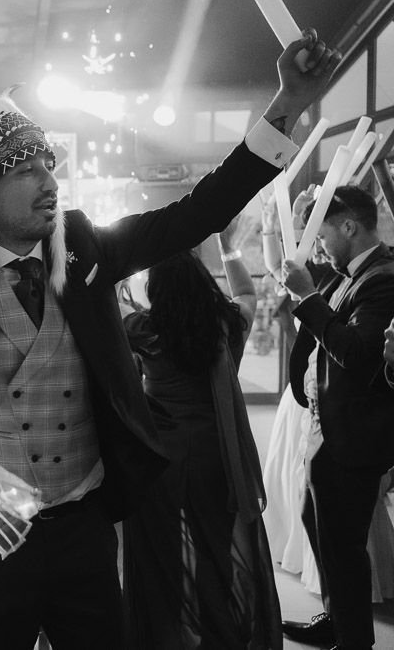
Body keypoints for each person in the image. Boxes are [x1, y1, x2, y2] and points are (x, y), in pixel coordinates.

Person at [0, 31, 338, 649]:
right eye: (26, 170)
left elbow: (199, 211)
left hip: (84, 522)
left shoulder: (85, 244)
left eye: (50, 164)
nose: (49, 181)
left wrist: (287, 102)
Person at [121, 228, 281, 649]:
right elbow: (249, 294)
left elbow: (105, 316)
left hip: (161, 459)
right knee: (215, 549)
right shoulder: (225, 324)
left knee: (161, 555)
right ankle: (219, 636)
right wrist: (228, 248)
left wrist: (117, 273)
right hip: (216, 455)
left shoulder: (140, 327)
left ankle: (166, 636)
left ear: (155, 289)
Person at [279, 184, 394, 650]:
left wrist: (307, 299)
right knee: (318, 524)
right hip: (332, 424)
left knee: (343, 546)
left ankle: (354, 641)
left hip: (357, 432)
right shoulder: (350, 272)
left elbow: (359, 354)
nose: (320, 244)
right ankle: (337, 616)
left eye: (323, 232)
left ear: (349, 226)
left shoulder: (383, 278)